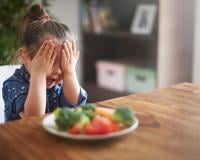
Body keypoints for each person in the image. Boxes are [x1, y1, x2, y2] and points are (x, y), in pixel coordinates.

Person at [2, 4, 87, 121]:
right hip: (22, 138)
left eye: (63, 63)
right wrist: (39, 74)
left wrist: (69, 72)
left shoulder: (60, 83)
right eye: (50, 61)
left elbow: (75, 106)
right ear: (25, 55)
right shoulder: (13, 84)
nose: (58, 71)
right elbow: (33, 118)